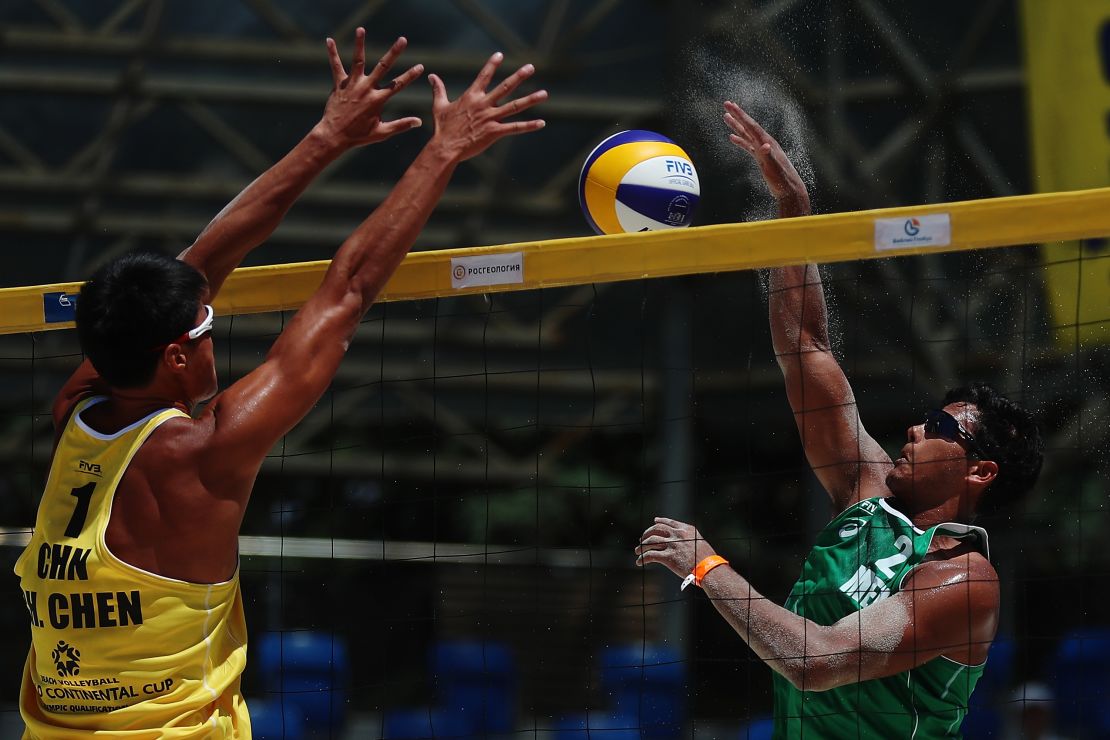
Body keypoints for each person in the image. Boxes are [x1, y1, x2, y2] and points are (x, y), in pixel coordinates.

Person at [14, 28, 546, 738]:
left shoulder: (76, 409)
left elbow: (202, 263)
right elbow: (347, 290)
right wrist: (444, 150)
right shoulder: (204, 451)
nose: (215, 334)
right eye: (207, 331)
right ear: (175, 357)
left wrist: (328, 137)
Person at [635, 101, 1044, 737]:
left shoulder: (964, 580)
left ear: (980, 471)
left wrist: (705, 564)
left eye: (939, 429)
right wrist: (793, 214)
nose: (914, 428)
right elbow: (804, 345)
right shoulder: (866, 488)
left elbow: (815, 661)